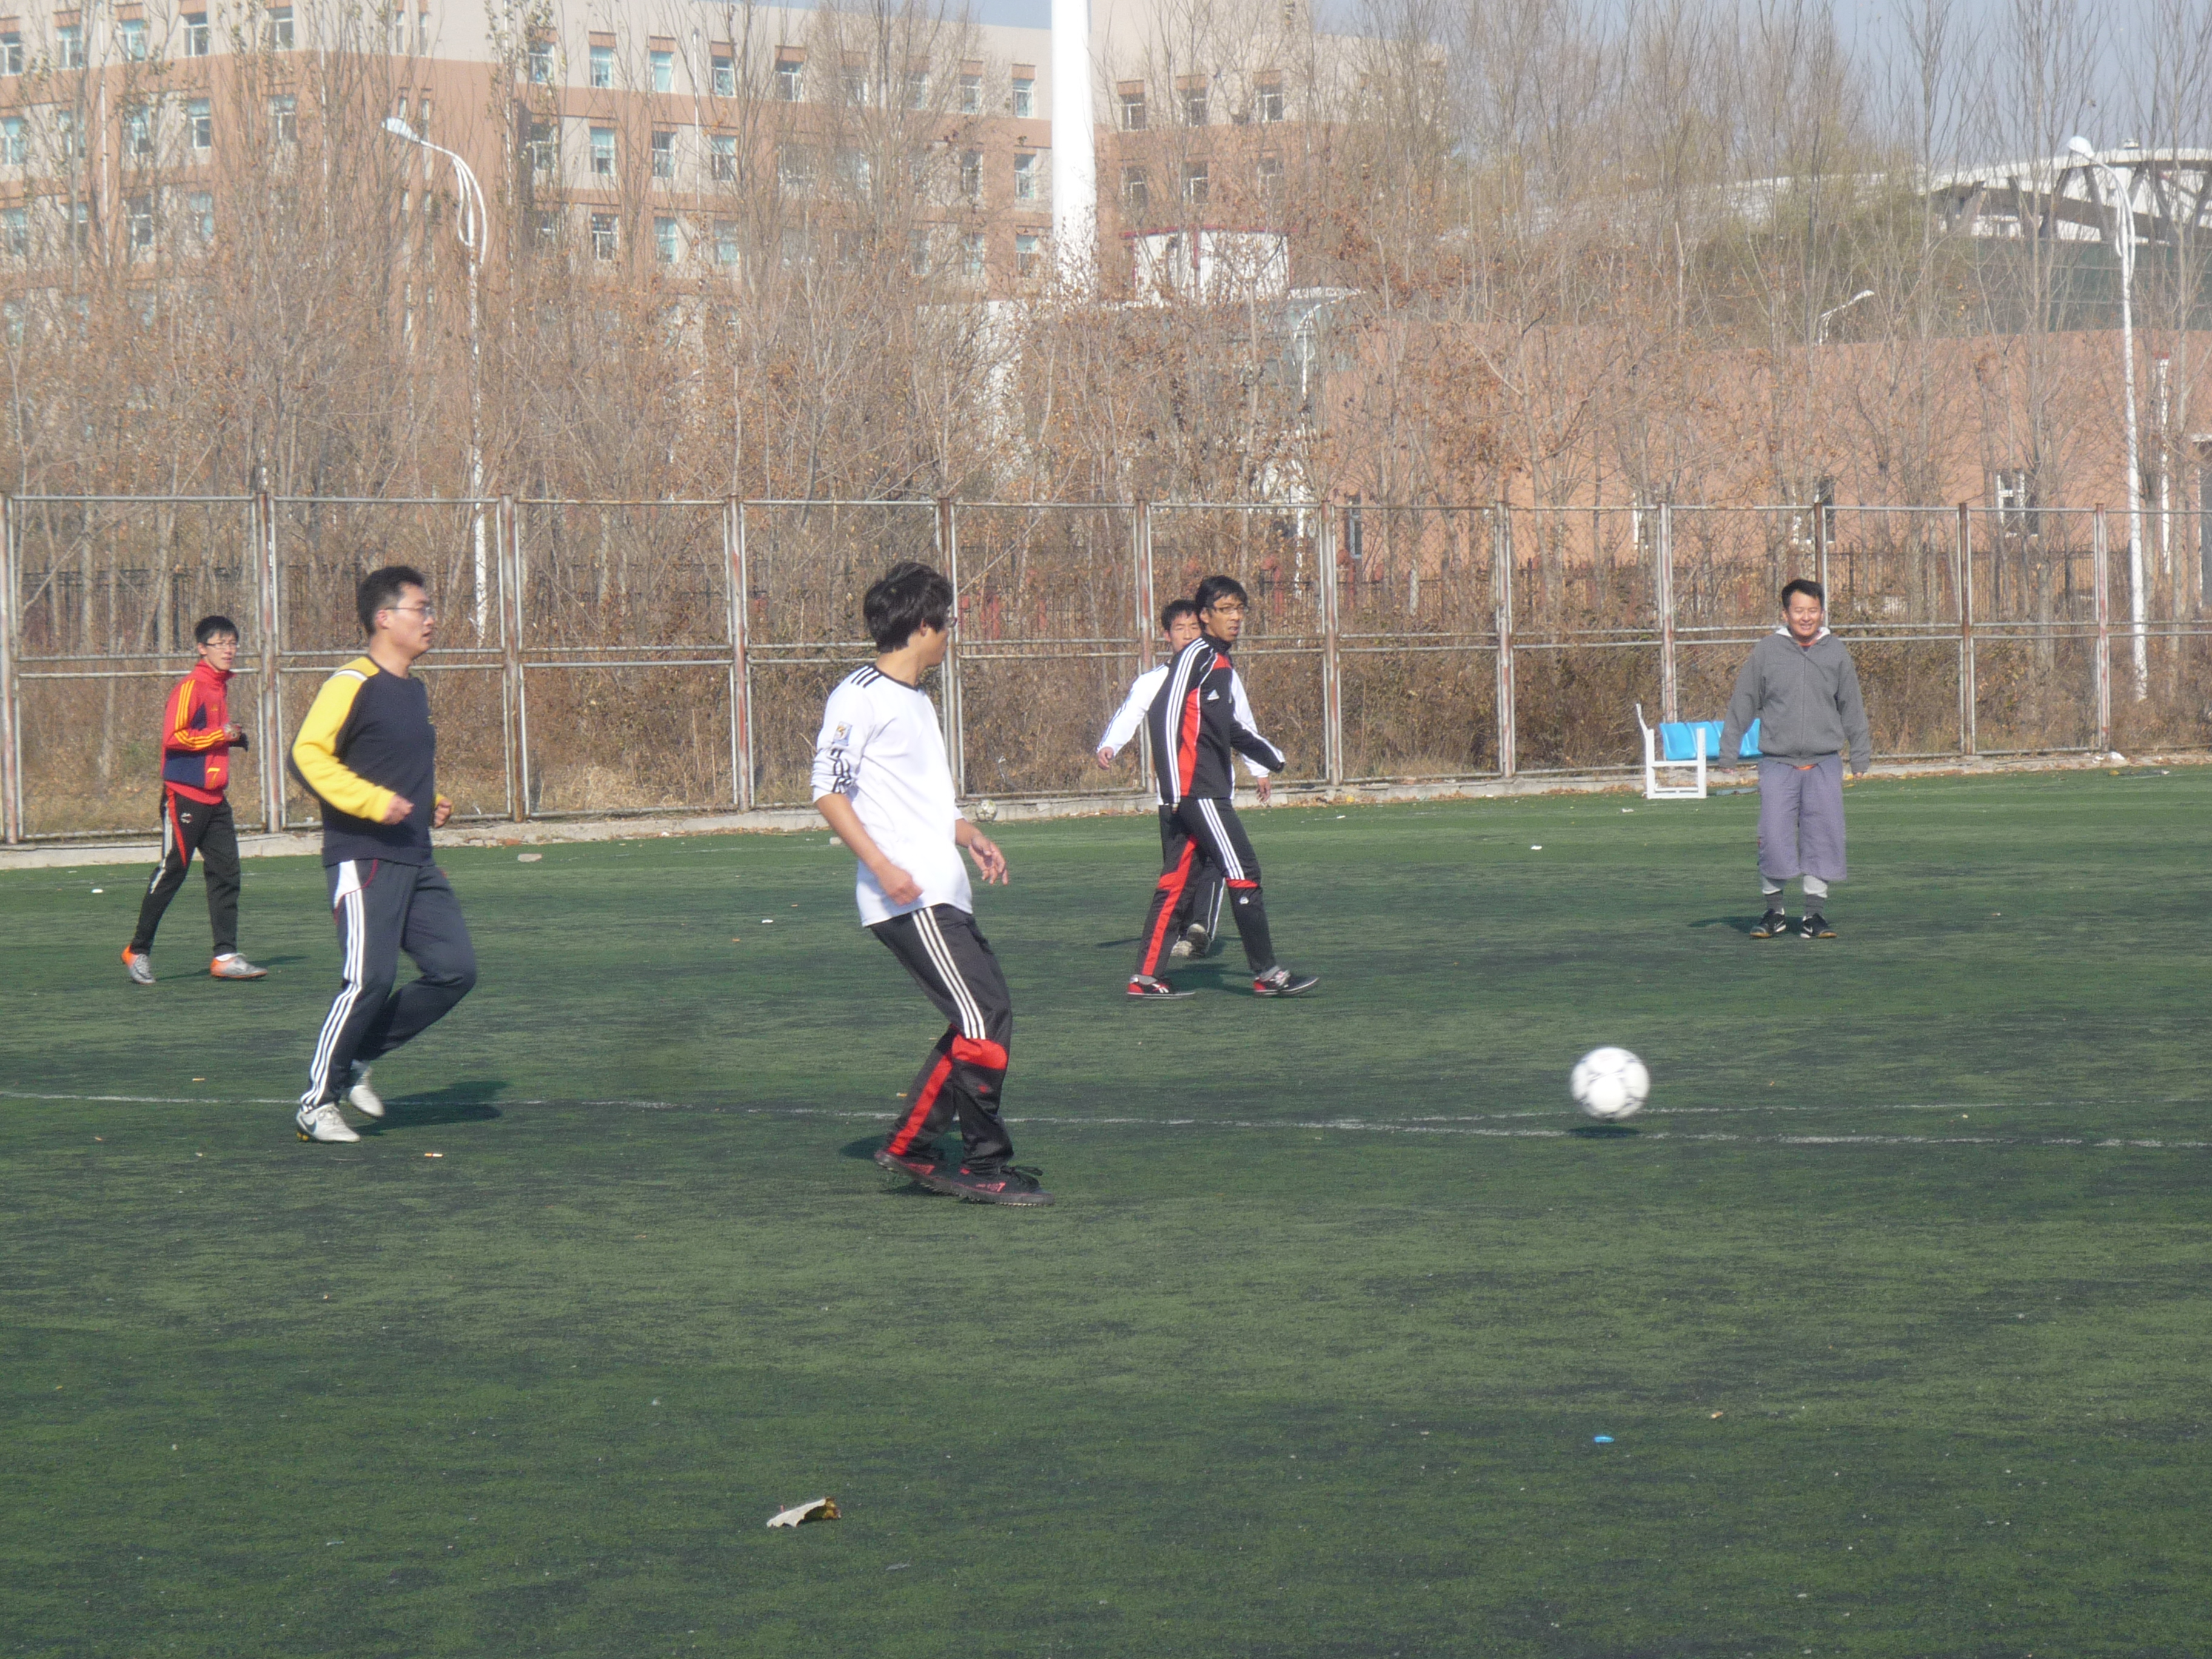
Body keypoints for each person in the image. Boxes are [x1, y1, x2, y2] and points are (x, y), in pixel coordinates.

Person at [813, 560, 1050, 1207]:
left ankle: (913, 1144)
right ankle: (982, 1163)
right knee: (983, 1016)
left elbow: (919, 804)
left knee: (980, 1016)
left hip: (939, 889)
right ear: (923, 626)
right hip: (909, 894)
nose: (950, 636)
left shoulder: (917, 701)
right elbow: (828, 791)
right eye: (946, 624)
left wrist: (968, 835)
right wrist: (882, 866)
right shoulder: (858, 694)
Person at [286, 565, 476, 1144]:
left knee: (455, 970)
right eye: (422, 608)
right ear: (384, 618)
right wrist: (373, 804)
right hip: (364, 855)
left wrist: (430, 803)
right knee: (368, 979)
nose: (431, 619)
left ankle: (359, 1056)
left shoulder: (413, 689)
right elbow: (306, 755)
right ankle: (316, 1103)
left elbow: (391, 764)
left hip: (415, 857)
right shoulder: (351, 681)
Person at [1128, 574, 1316, 999]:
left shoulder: (1218, 662)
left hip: (1199, 791)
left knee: (1176, 882)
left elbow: (1224, 726)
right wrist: (1174, 790)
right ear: (1205, 616)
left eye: (1239, 609)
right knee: (1244, 872)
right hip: (1199, 792)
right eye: (1225, 609)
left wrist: (1266, 756)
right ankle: (1267, 974)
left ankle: (1145, 978)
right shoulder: (1197, 656)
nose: (1235, 618)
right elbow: (1163, 715)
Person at [1094, 597, 1272, 959]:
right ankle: (1170, 941)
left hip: (1211, 790)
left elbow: (1242, 722)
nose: (1189, 635)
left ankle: (1199, 929)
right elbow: (1130, 713)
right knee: (1179, 868)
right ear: (1167, 635)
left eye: (1194, 628)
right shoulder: (1155, 680)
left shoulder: (1220, 671)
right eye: (1180, 629)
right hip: (1173, 796)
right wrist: (1110, 745)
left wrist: (1260, 769)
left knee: (1217, 860)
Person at [1715, 577, 1872, 940]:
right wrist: (1729, 750)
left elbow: (1852, 705)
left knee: (1823, 838)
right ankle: (1775, 913)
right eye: (1799, 610)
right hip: (1777, 764)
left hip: (1824, 763)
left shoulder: (1836, 652)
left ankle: (1814, 917)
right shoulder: (1767, 651)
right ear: (1786, 613)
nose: (1806, 617)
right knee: (1773, 837)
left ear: (1822, 613)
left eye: (1813, 610)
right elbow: (1743, 701)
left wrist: (1860, 754)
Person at [122, 615, 267, 984]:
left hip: (215, 798)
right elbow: (174, 737)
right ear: (202, 649)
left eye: (233, 643)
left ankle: (225, 956)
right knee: (173, 870)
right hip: (184, 796)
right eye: (221, 643)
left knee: (227, 872)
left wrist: (232, 738)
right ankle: (137, 950)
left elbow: (208, 734)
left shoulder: (220, 686)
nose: (229, 650)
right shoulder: (191, 686)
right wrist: (220, 735)